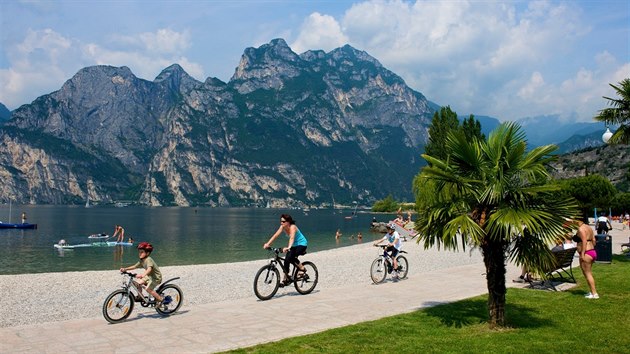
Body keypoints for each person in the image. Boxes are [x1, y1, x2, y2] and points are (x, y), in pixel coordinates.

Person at [263, 214, 308, 286]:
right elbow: (275, 235)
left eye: (283, 221)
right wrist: (268, 244)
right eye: (281, 221)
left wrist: (288, 247)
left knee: (292, 257)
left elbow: (292, 238)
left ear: (288, 222)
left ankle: (302, 269)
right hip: (294, 245)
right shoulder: (282, 227)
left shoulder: (293, 227)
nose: (281, 223)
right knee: (287, 259)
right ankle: (286, 278)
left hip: (302, 244)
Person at [571, 219, 599, 299]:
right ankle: (592, 292)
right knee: (588, 273)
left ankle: (594, 293)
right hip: (592, 251)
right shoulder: (588, 227)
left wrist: (582, 253)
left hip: (586, 253)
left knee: (587, 274)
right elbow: (593, 240)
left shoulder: (581, 229)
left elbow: (584, 241)